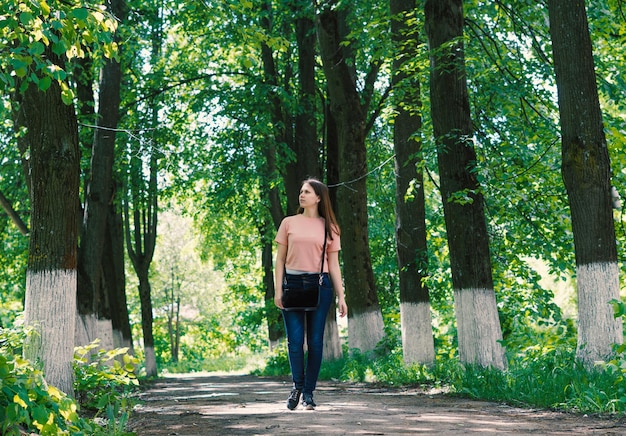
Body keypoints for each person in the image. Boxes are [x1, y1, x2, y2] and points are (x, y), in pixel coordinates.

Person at [274, 178, 348, 411]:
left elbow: (334, 265)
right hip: (292, 285)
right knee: (295, 343)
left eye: (307, 191)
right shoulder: (288, 223)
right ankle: (297, 386)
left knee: (315, 343)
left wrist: (341, 296)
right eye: (301, 191)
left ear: (318, 197)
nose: (302, 194)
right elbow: (279, 260)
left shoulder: (330, 227)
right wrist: (278, 290)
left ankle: (308, 393)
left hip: (320, 285)